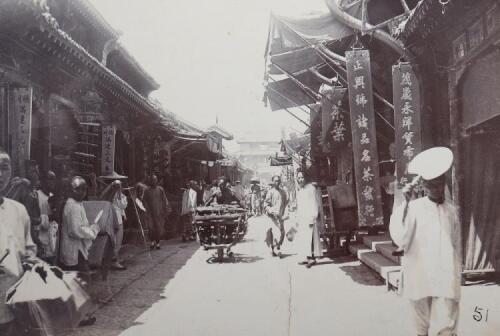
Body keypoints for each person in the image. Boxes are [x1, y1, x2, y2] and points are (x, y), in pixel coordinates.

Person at [389, 147, 461, 336]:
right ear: (424, 187)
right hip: (420, 270)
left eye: (440, 184)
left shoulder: (452, 211)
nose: (437, 188)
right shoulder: (414, 208)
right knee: (420, 324)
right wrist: (404, 204)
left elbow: (455, 242)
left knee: (447, 321)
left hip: (446, 271)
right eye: (432, 184)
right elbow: (401, 236)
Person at [0, 148, 37, 335]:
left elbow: (28, 247)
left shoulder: (19, 210)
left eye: (4, 168)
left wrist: (30, 260)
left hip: (13, 302)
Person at [60, 176, 100, 273]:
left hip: (75, 248)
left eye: (84, 189)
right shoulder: (73, 206)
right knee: (82, 278)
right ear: (72, 190)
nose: (83, 192)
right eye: (79, 189)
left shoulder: (76, 204)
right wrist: (93, 230)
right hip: (75, 249)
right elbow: (76, 230)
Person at [295, 170, 323, 268]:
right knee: (304, 238)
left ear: (306, 178)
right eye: (298, 178)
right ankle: (307, 257)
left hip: (310, 217)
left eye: (302, 177)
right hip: (303, 218)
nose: (300, 179)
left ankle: (312, 258)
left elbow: (315, 204)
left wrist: (313, 217)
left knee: (310, 238)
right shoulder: (301, 190)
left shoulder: (311, 188)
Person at [100, 180, 128, 270]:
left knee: (118, 241)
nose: (118, 187)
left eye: (119, 186)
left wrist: (118, 192)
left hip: (118, 220)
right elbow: (102, 199)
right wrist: (111, 188)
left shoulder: (122, 196)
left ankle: (114, 260)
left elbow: (123, 205)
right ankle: (113, 262)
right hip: (109, 220)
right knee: (112, 241)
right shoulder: (107, 194)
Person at [36, 170, 59, 264]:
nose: (53, 182)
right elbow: (34, 218)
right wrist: (50, 217)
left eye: (54, 179)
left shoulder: (53, 196)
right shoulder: (36, 195)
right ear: (43, 181)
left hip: (52, 241)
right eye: (50, 179)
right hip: (41, 240)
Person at [143, 174, 170, 250]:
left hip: (159, 212)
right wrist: (145, 209)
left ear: (157, 181)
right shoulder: (147, 190)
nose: (153, 181)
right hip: (150, 212)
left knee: (158, 227)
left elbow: (165, 200)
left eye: (155, 180)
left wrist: (166, 209)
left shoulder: (160, 189)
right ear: (150, 181)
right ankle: (152, 241)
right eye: (152, 180)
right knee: (151, 227)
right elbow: (144, 201)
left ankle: (158, 243)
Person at [264, 175, 288, 257]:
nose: (277, 182)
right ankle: (276, 249)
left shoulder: (283, 192)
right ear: (273, 182)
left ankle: (277, 246)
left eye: (278, 181)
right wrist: (270, 210)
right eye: (275, 181)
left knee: (282, 233)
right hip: (273, 216)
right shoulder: (270, 192)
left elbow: (286, 203)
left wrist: (285, 213)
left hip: (280, 215)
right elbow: (266, 204)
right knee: (273, 233)